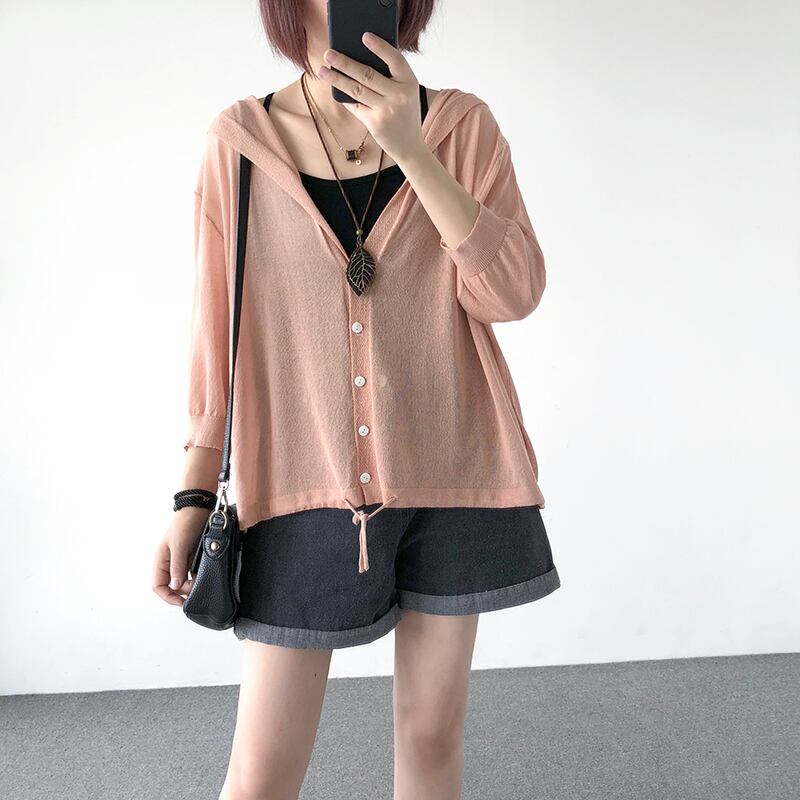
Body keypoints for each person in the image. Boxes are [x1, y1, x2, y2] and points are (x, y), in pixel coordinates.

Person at [153, 1, 561, 797]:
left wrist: (412, 150)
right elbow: (216, 336)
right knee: (262, 771)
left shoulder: (460, 127)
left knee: (431, 736)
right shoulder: (240, 144)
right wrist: (193, 494)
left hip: (455, 475)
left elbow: (513, 293)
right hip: (298, 483)